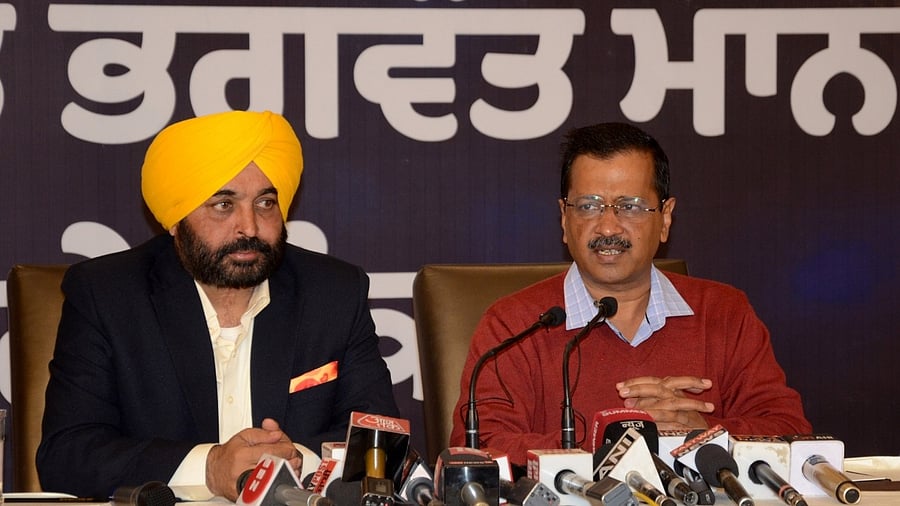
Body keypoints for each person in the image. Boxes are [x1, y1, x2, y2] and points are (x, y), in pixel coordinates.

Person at [37, 110, 399, 500]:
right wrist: (209, 467)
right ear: (176, 220)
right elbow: (68, 456)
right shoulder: (107, 295)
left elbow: (383, 442)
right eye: (223, 205)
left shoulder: (333, 292)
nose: (250, 227)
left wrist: (295, 462)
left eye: (265, 203)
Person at [448, 122, 811, 465]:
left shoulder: (724, 312)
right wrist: (610, 435)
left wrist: (704, 434)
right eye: (588, 206)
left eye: (631, 207)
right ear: (563, 217)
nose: (607, 226)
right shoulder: (515, 325)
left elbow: (790, 432)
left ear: (665, 217)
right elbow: (478, 448)